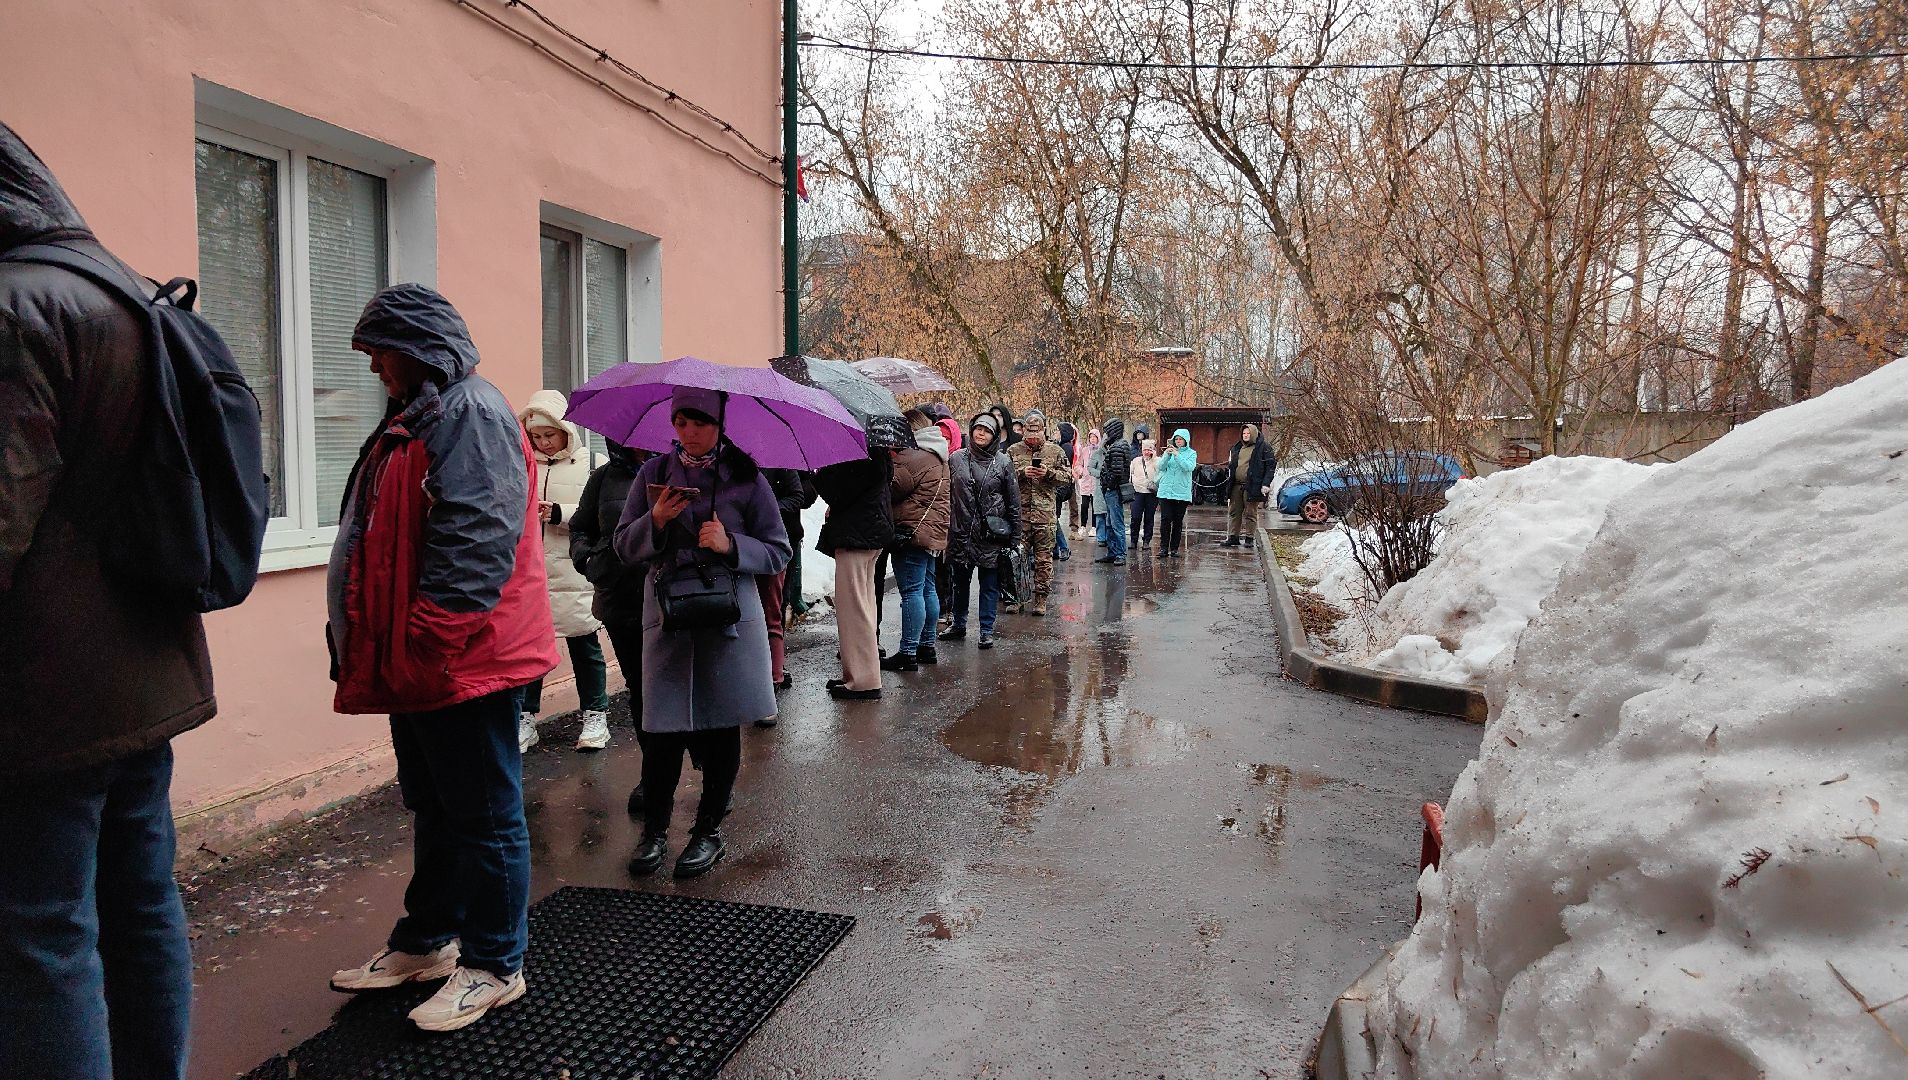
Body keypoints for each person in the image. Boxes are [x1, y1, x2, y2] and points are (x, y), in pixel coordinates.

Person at [1, 123, 246, 1079]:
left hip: (41, 698)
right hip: (145, 672)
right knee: (139, 906)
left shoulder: (18, 309)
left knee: (36, 942)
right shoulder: (126, 294)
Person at [325, 283, 558, 1033]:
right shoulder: (421, 415)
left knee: (485, 816)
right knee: (438, 805)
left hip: (461, 660)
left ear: (417, 349)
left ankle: (495, 964)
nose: (373, 369)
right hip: (427, 659)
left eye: (379, 352)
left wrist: (429, 638)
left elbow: (475, 540)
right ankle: (427, 942)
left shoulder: (470, 413)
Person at [613, 387, 791, 878]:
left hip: (726, 619)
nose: (689, 433)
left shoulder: (746, 478)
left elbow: (778, 550)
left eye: (700, 423)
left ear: (720, 425)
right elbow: (624, 547)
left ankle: (707, 831)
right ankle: (654, 834)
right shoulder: (652, 474)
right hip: (669, 619)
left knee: (719, 728)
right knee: (661, 734)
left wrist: (730, 545)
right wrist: (656, 521)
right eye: (681, 423)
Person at [515, 391, 611, 752]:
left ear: (565, 430)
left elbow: (604, 515)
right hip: (532, 574)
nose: (542, 443)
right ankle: (526, 717)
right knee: (530, 650)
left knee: (584, 646)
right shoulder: (523, 464)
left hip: (574, 572)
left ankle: (595, 714)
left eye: (549, 435)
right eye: (536, 436)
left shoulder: (592, 465)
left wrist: (559, 513)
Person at [570, 439, 653, 816]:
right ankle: (652, 773)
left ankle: (707, 767)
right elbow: (580, 528)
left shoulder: (678, 473)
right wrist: (587, 561)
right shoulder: (604, 478)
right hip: (621, 601)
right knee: (640, 689)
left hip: (675, 603)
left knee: (681, 686)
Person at [815, 445, 894, 699]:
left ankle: (863, 680)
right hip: (869, 531)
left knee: (854, 610)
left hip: (857, 534)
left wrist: (817, 471)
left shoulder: (860, 453)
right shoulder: (876, 449)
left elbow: (836, 492)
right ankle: (861, 673)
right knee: (864, 607)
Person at [943, 413, 1021, 648]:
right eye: (977, 428)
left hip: (991, 535)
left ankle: (986, 630)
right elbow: (945, 493)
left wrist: (1015, 538)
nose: (980, 433)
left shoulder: (1003, 462)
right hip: (961, 531)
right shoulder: (956, 458)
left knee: (989, 584)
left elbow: (1013, 502)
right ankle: (958, 623)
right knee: (959, 582)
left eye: (986, 430)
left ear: (995, 435)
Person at [882, 410, 950, 671]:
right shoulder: (936, 453)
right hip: (932, 533)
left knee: (911, 592)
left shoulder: (913, 457)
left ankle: (908, 651)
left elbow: (891, 487)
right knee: (927, 589)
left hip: (912, 533)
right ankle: (926, 645)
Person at [759, 468, 816, 698]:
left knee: (775, 607)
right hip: (745, 543)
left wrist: (769, 509)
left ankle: (775, 671)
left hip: (779, 540)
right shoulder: (734, 461)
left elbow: (800, 496)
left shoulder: (781, 462)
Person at [1008, 409, 1069, 615]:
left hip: (1045, 517)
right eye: (1029, 434)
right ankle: (1018, 598)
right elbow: (1003, 479)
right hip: (1020, 516)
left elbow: (1067, 478)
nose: (1032, 438)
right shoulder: (1013, 451)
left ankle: (1041, 600)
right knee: (1018, 560)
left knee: (1043, 561)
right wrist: (1021, 474)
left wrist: (1048, 474)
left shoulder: (1055, 451)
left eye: (1037, 433)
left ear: (1044, 431)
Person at [1219, 423, 1277, 547]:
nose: (1245, 435)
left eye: (1248, 433)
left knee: (1250, 513)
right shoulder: (1237, 447)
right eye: (1244, 433)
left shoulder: (1263, 447)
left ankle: (1249, 538)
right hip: (1236, 485)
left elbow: (1270, 466)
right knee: (1234, 511)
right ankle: (1233, 536)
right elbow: (1233, 465)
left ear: (1254, 434)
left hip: (1252, 485)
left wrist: (1266, 483)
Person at [1095, 418, 1132, 566]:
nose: (1106, 434)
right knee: (1111, 523)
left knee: (1116, 523)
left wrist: (1108, 484)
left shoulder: (1117, 447)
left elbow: (1116, 472)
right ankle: (1113, 552)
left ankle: (1120, 554)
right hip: (1113, 490)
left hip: (1113, 490)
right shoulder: (1120, 445)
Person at [1155, 428, 1197, 557]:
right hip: (1166, 491)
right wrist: (1167, 455)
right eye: (1176, 439)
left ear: (1186, 441)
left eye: (1181, 439)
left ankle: (1174, 549)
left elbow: (1188, 467)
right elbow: (1161, 467)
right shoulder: (1168, 452)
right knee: (1165, 519)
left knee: (1177, 521)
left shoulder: (1191, 453)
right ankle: (1163, 548)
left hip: (1181, 492)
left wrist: (1177, 455)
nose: (1178, 442)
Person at [1130, 437, 1160, 553]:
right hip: (1137, 492)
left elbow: (1160, 471)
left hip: (1151, 493)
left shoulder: (1157, 461)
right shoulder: (1136, 461)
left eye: (1149, 449)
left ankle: (1147, 540)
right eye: (1145, 450)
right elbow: (1130, 474)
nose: (1147, 452)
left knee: (1149, 518)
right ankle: (1133, 540)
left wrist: (1154, 458)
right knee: (1135, 517)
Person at [1054, 420, 1078, 561]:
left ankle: (1063, 547)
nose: (1055, 433)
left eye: (1057, 431)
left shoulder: (1066, 447)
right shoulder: (1062, 446)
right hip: (1062, 486)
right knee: (1053, 518)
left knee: (1053, 519)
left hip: (1061, 487)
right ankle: (1057, 549)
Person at [1082, 427, 1104, 541]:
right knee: (1084, 505)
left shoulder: (1100, 451)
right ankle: (1082, 526)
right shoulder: (1085, 450)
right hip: (1085, 481)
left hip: (1096, 482)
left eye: (1095, 437)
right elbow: (1080, 463)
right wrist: (1080, 472)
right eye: (1091, 437)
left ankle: (1094, 527)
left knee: (1095, 506)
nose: (1092, 439)